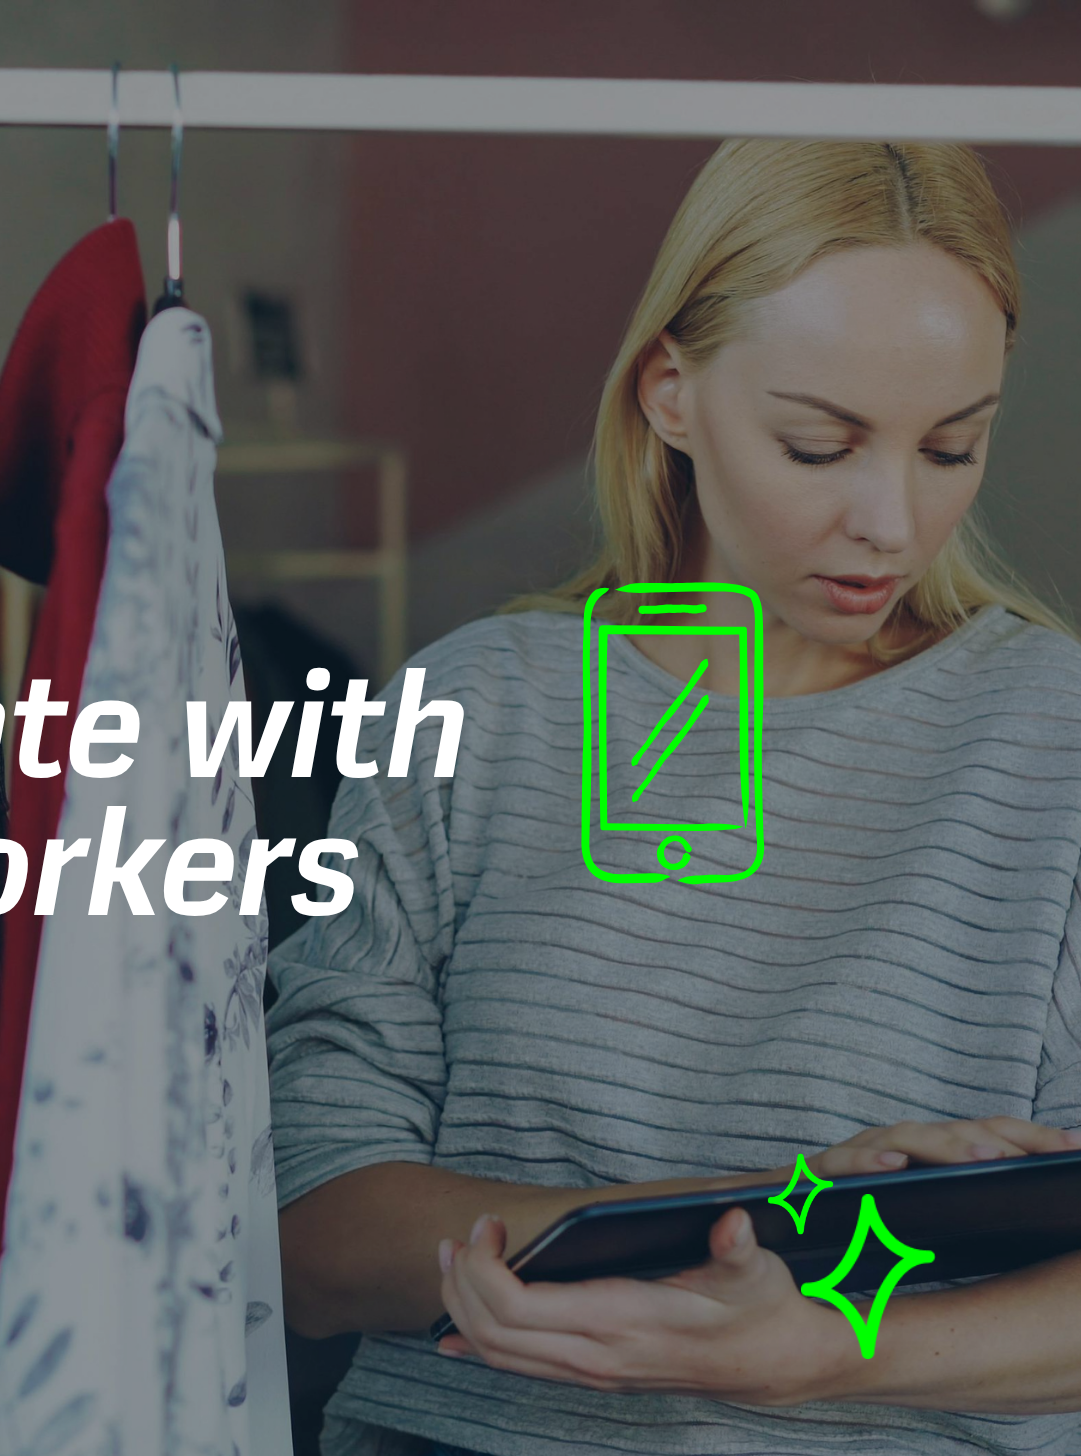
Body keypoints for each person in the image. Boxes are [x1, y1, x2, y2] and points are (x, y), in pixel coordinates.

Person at [267, 138, 1081, 1456]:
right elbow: (314, 1234)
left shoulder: (1057, 740)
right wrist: (767, 1212)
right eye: (819, 445)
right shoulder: (475, 714)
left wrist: (828, 1345)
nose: (890, 518)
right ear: (670, 393)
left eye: (953, 446)